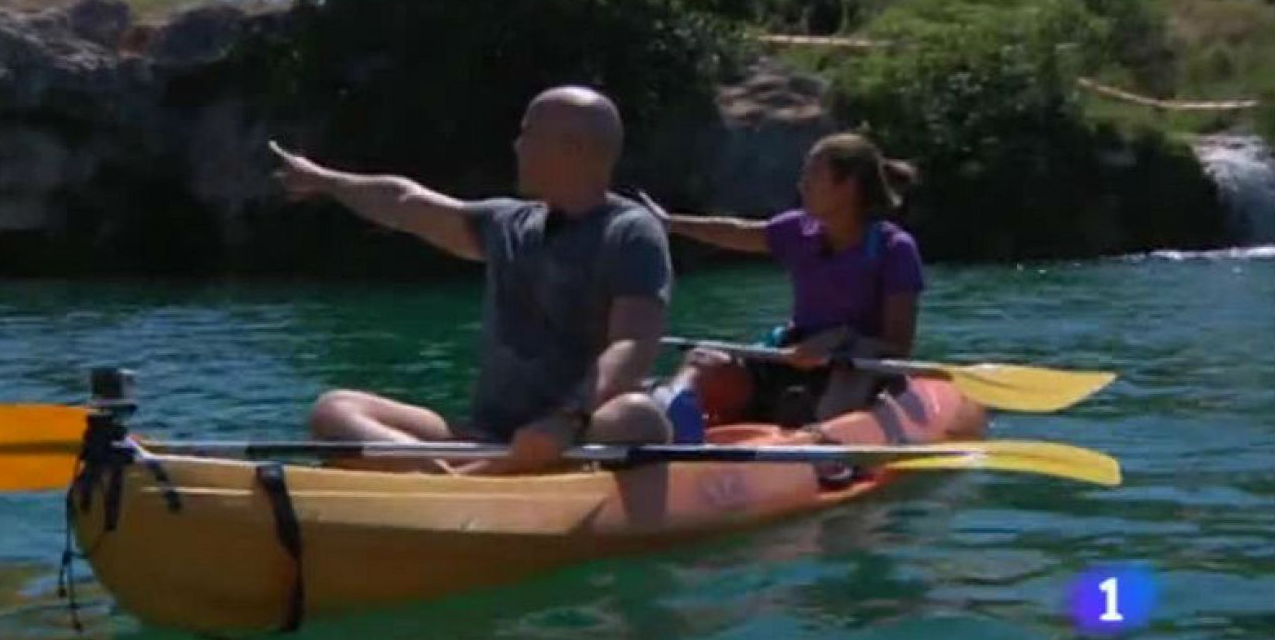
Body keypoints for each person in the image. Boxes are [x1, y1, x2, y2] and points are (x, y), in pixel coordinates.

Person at [269, 85, 675, 474]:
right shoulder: (508, 223)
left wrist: (568, 418)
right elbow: (405, 201)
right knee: (335, 409)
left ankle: (461, 475)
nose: (517, 146)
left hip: (576, 434)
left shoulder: (630, 231)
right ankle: (448, 477)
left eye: (528, 134)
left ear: (574, 149)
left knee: (638, 417)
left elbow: (633, 342)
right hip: (486, 438)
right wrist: (321, 179)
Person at [642, 133, 923, 432]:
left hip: (853, 367)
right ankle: (668, 417)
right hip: (792, 354)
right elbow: (738, 232)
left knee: (846, 375)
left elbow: (897, 346)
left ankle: (817, 428)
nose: (802, 185)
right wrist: (670, 223)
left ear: (847, 186)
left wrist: (839, 341)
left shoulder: (894, 249)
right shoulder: (799, 230)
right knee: (703, 361)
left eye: (812, 175)